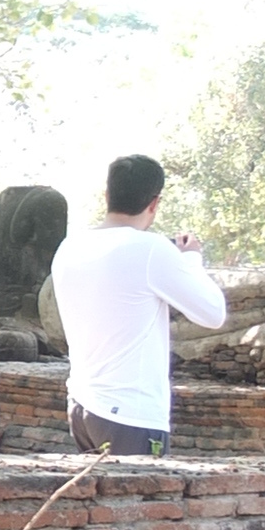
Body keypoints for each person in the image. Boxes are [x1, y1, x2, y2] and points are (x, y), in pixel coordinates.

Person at [47, 153, 226, 456]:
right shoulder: (151, 249)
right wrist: (192, 258)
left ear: (107, 195)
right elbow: (213, 313)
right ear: (154, 203)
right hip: (130, 414)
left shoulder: (69, 247)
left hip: (81, 407)